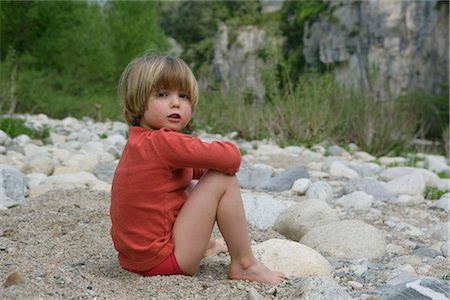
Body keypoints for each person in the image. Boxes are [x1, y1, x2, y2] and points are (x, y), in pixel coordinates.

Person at [110, 54, 285, 285]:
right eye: (163, 94)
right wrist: (207, 155)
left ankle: (207, 245)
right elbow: (231, 159)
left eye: (183, 96)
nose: (176, 103)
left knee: (193, 183)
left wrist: (199, 165)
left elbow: (183, 173)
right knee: (222, 179)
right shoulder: (165, 142)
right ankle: (245, 264)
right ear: (138, 100)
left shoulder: (138, 142)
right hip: (162, 263)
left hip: (134, 260)